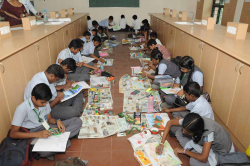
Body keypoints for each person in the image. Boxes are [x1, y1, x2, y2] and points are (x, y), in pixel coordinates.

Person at [11, 83, 82, 161]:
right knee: (44, 152)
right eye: (42, 102)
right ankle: (62, 140)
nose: (45, 104)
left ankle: (60, 140)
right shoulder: (22, 109)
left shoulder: (45, 102)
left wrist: (57, 121)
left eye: (46, 102)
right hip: (33, 133)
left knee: (77, 121)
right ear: (34, 98)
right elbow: (13, 134)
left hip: (46, 126)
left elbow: (49, 119)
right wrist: (37, 134)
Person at [156, 113, 235, 166]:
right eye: (184, 129)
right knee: (177, 131)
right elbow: (170, 122)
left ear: (197, 131)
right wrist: (162, 143)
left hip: (218, 151)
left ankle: (192, 150)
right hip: (200, 141)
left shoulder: (208, 133)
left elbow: (204, 159)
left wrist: (184, 151)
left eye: (187, 132)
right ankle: (193, 150)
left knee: (194, 162)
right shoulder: (191, 121)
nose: (184, 132)